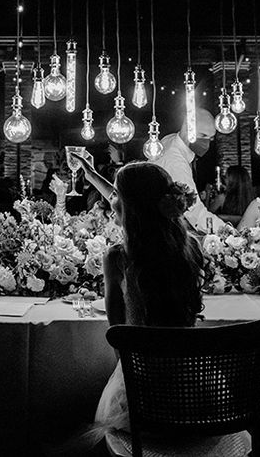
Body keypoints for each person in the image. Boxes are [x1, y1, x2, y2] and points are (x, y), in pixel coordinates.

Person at [86, 162, 204, 444]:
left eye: (116, 195)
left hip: (145, 397)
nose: (111, 199)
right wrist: (91, 175)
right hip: (194, 395)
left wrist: (126, 385)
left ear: (128, 206)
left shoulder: (117, 257)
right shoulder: (192, 249)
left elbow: (117, 334)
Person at [150, 107, 225, 233]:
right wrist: (228, 233)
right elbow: (195, 212)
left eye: (211, 138)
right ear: (187, 128)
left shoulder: (171, 139)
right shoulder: (175, 162)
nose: (207, 142)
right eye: (203, 135)